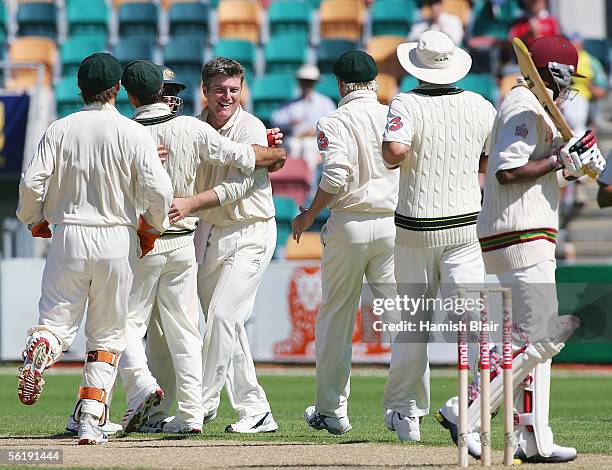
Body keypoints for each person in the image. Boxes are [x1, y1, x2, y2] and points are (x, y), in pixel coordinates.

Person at [436, 35, 605, 463]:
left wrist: (575, 167)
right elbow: (508, 172)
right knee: (541, 337)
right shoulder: (524, 106)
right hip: (518, 232)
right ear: (553, 72)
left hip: (528, 229)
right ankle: (466, 413)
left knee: (536, 341)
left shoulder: (536, 109)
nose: (572, 88)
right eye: (569, 78)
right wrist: (559, 161)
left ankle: (533, 436)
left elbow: (542, 173)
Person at [112, 60, 286, 435]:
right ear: (205, 92)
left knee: (223, 317)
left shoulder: (250, 126)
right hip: (206, 235)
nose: (227, 97)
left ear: (242, 91)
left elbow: (243, 184)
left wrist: (191, 203)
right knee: (224, 323)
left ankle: (202, 406)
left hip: (251, 228)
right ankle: (254, 408)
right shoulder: (191, 125)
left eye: (234, 90)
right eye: (220, 90)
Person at [16, 53, 174, 445]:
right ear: (118, 89)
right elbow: (158, 190)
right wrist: (153, 226)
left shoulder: (59, 128)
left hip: (68, 233)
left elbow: (32, 183)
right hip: (115, 238)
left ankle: (45, 346)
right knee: (107, 334)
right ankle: (90, 419)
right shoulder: (132, 132)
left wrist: (33, 219)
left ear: (79, 88)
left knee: (55, 322)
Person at [381, 30, 496, 442]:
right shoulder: (482, 105)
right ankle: (471, 410)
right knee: (476, 327)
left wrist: (406, 154)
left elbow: (394, 151)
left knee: (414, 326)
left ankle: (402, 411)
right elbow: (492, 158)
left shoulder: (406, 103)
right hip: (466, 228)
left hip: (415, 229)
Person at [291, 50, 399, 435]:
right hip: (392, 225)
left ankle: (332, 411)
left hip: (350, 224)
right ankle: (409, 412)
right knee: (400, 319)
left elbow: (336, 175)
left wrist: (307, 214)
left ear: (338, 85)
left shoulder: (333, 120)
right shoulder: (394, 115)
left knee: (336, 317)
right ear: (374, 83)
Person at [271, 64, 336, 172]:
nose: (306, 85)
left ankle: (307, 182)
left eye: (309, 82)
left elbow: (332, 126)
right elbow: (276, 120)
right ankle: (294, 178)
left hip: (316, 141)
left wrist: (316, 131)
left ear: (314, 83)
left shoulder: (325, 103)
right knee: (293, 145)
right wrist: (290, 124)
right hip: (294, 139)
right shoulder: (291, 104)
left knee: (308, 147)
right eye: (304, 81)